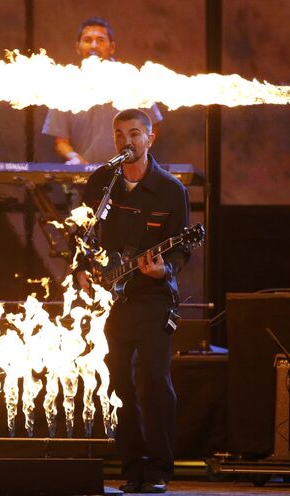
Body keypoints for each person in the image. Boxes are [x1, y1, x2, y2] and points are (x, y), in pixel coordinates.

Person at [76, 109, 190, 494]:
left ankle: (159, 468)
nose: (128, 141)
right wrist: (82, 268)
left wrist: (164, 271)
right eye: (121, 134)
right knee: (117, 382)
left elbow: (181, 251)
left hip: (155, 299)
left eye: (136, 134)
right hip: (115, 302)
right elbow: (84, 231)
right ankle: (132, 467)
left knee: (154, 379)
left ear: (150, 138)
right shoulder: (102, 183)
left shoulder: (172, 191)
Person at [42, 17, 163, 165]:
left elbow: (152, 126)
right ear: (78, 47)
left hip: (128, 175)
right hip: (82, 179)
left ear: (111, 47)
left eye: (100, 40)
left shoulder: (131, 79)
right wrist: (74, 158)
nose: (94, 45)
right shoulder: (65, 84)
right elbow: (60, 141)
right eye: (87, 40)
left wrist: (136, 154)